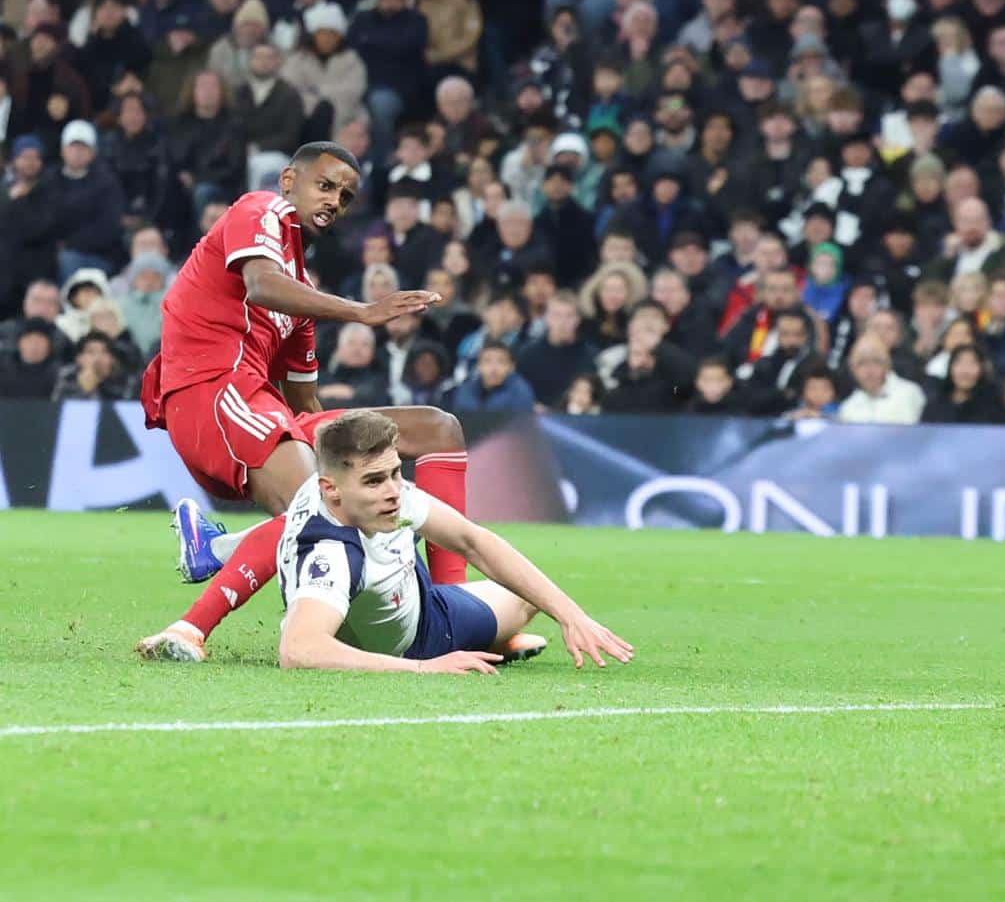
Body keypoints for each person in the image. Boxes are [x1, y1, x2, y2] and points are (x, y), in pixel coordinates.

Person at [132, 143, 467, 665]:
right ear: (289, 180)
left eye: (347, 196)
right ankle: (189, 629)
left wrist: (355, 460)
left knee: (436, 427)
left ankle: (455, 606)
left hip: (258, 407)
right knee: (319, 500)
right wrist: (362, 312)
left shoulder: (301, 293)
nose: (335, 201)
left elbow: (305, 403)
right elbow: (260, 286)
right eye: (326, 185)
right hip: (209, 392)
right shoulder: (258, 210)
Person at [272, 410, 631, 673]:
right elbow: (298, 649)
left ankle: (496, 640)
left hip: (417, 592)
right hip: (423, 639)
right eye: (374, 481)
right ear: (330, 489)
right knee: (522, 601)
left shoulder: (374, 494)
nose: (394, 491)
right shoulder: (331, 554)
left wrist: (572, 616)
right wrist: (426, 668)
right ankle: (487, 642)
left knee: (534, 594)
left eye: (397, 472)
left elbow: (474, 542)